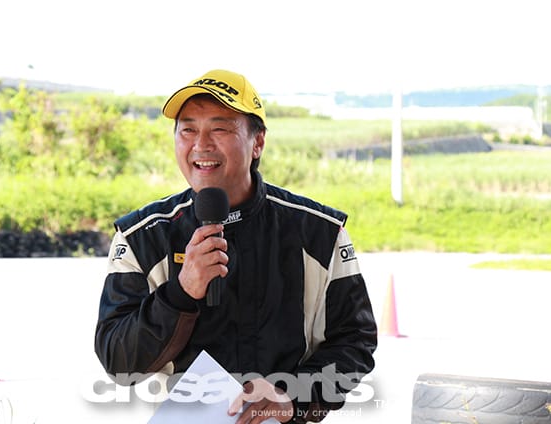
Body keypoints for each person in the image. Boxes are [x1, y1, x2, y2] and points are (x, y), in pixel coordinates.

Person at [94, 69, 377, 423]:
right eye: (188, 130)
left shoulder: (319, 232)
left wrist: (293, 396)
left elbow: (356, 342)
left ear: (258, 142)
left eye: (220, 129)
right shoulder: (142, 237)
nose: (201, 145)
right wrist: (181, 293)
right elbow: (118, 362)